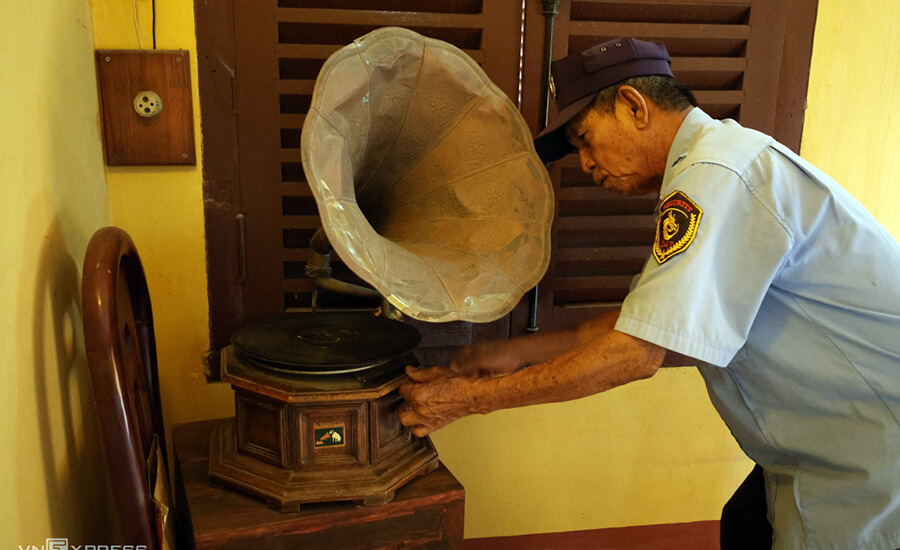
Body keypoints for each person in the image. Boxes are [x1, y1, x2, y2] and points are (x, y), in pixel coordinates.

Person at [397, 36, 900, 549]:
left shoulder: (715, 174)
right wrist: (517, 352)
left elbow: (636, 354)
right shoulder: (721, 158)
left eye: (585, 138)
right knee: (745, 526)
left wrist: (466, 400)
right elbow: (644, 322)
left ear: (633, 106)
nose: (586, 163)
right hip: (821, 443)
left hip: (870, 448)